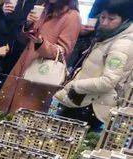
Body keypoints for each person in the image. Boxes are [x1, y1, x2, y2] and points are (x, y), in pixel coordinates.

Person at [55, 0, 132, 129]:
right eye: (102, 17)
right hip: (85, 101)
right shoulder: (110, 36)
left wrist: (75, 85)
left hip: (91, 106)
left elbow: (108, 81)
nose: (104, 22)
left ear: (125, 20)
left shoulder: (121, 44)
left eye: (111, 19)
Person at [0, 0, 81, 113]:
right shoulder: (44, 8)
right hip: (22, 65)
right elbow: (24, 40)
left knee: (25, 115)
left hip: (40, 73)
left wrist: (41, 43)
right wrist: (28, 24)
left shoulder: (72, 16)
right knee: (3, 109)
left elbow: (63, 52)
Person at [1, 0, 39, 73]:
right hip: (4, 46)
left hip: (24, 48)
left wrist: (28, 23)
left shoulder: (39, 3)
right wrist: (2, 11)